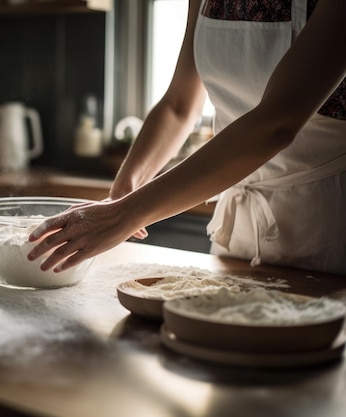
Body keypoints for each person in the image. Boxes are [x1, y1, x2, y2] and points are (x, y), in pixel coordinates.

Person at [28, 0, 346, 276]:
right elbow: (179, 106)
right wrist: (125, 189)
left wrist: (125, 214)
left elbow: (277, 123)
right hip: (239, 229)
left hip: (327, 221)